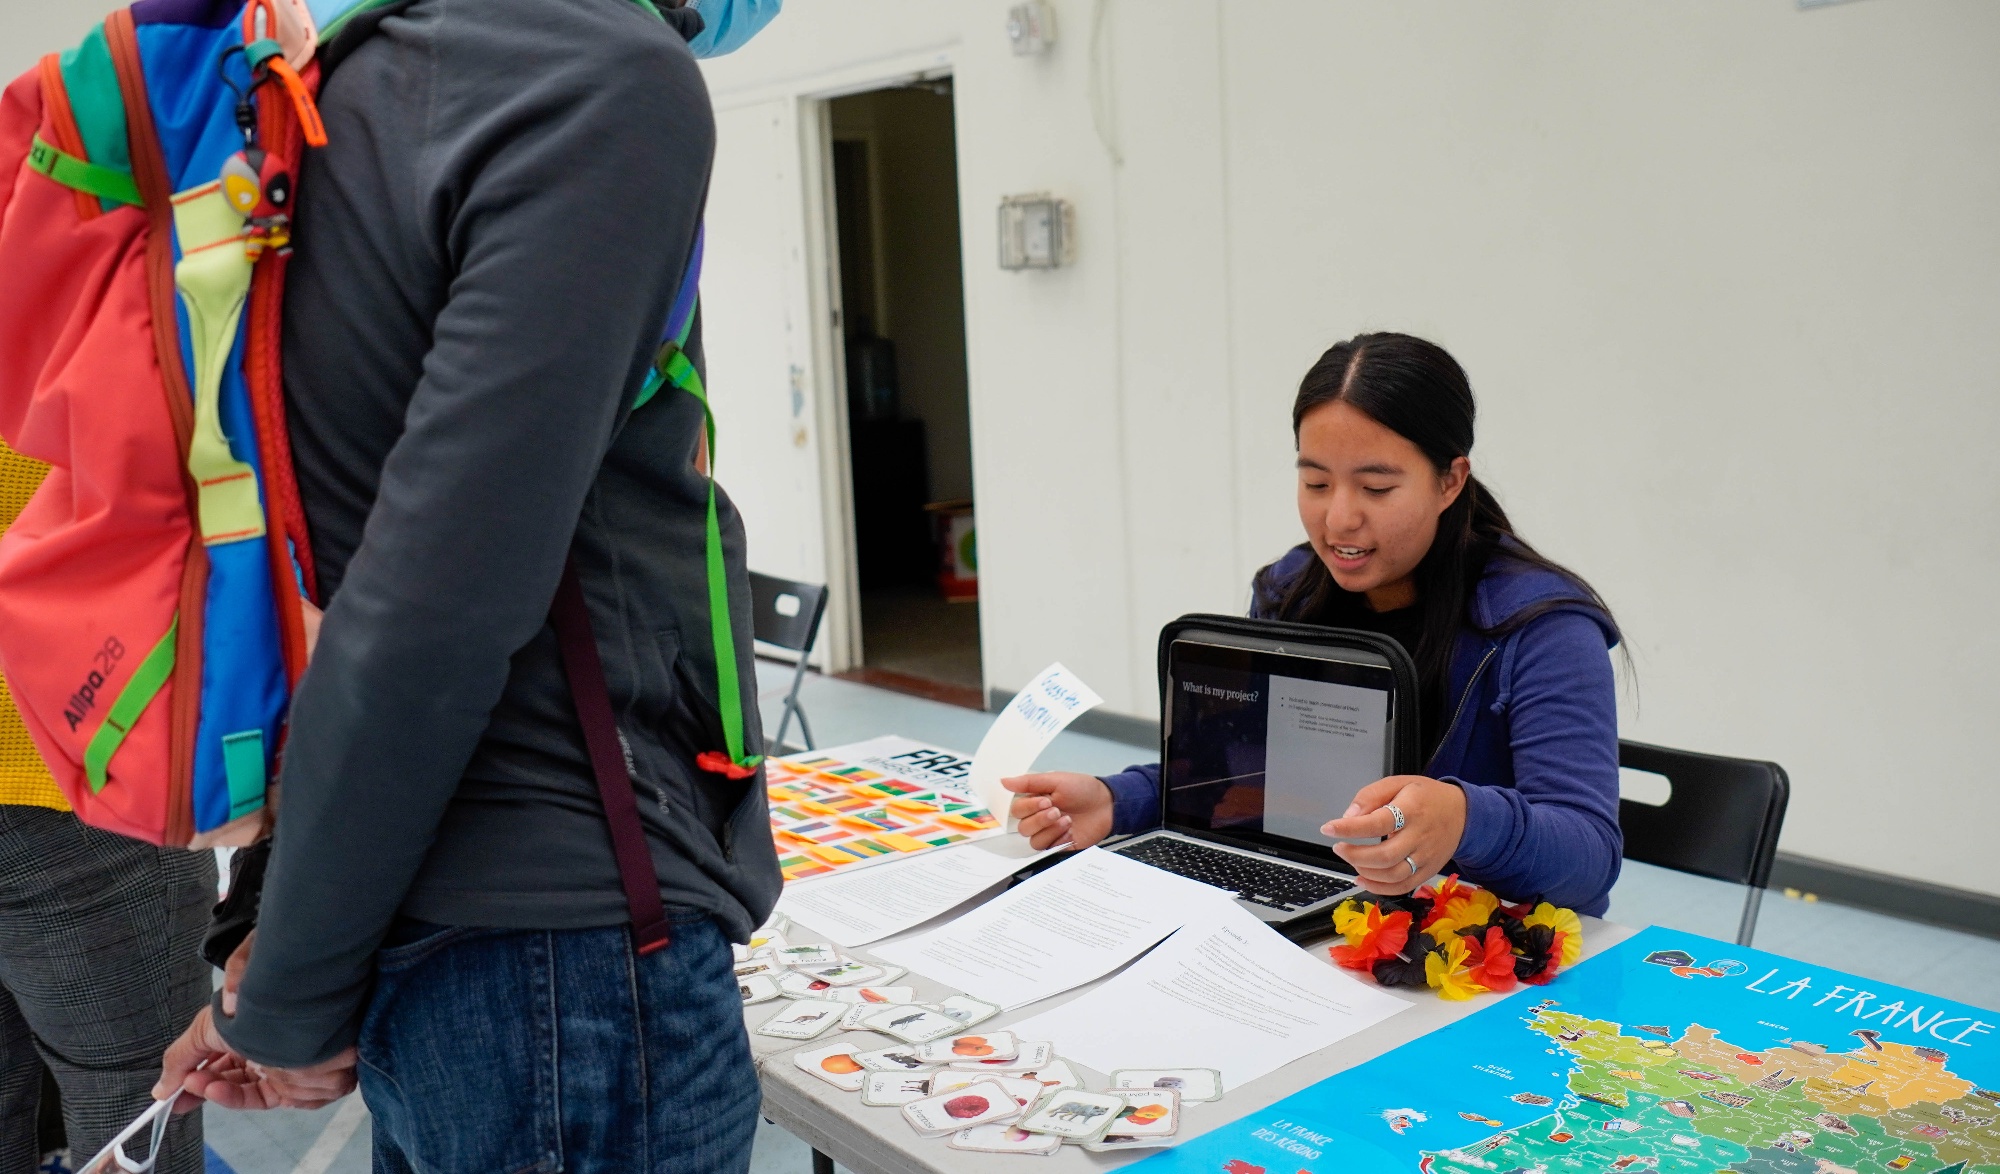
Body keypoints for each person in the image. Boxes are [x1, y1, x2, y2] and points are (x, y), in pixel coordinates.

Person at [152, 0, 784, 1170]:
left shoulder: (335, 87)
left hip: (435, 918)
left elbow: (336, 577)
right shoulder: (601, 76)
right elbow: (426, 609)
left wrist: (280, 942)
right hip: (567, 955)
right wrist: (288, 994)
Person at [1006, 332, 1625, 915]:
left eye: (1377, 488)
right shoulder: (1288, 593)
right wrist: (1118, 800)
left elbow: (1588, 856)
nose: (1339, 519)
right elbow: (1242, 775)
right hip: (1330, 927)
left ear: (1449, 481)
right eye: (1315, 482)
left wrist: (1463, 818)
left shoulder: (1543, 628)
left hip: (1491, 957)